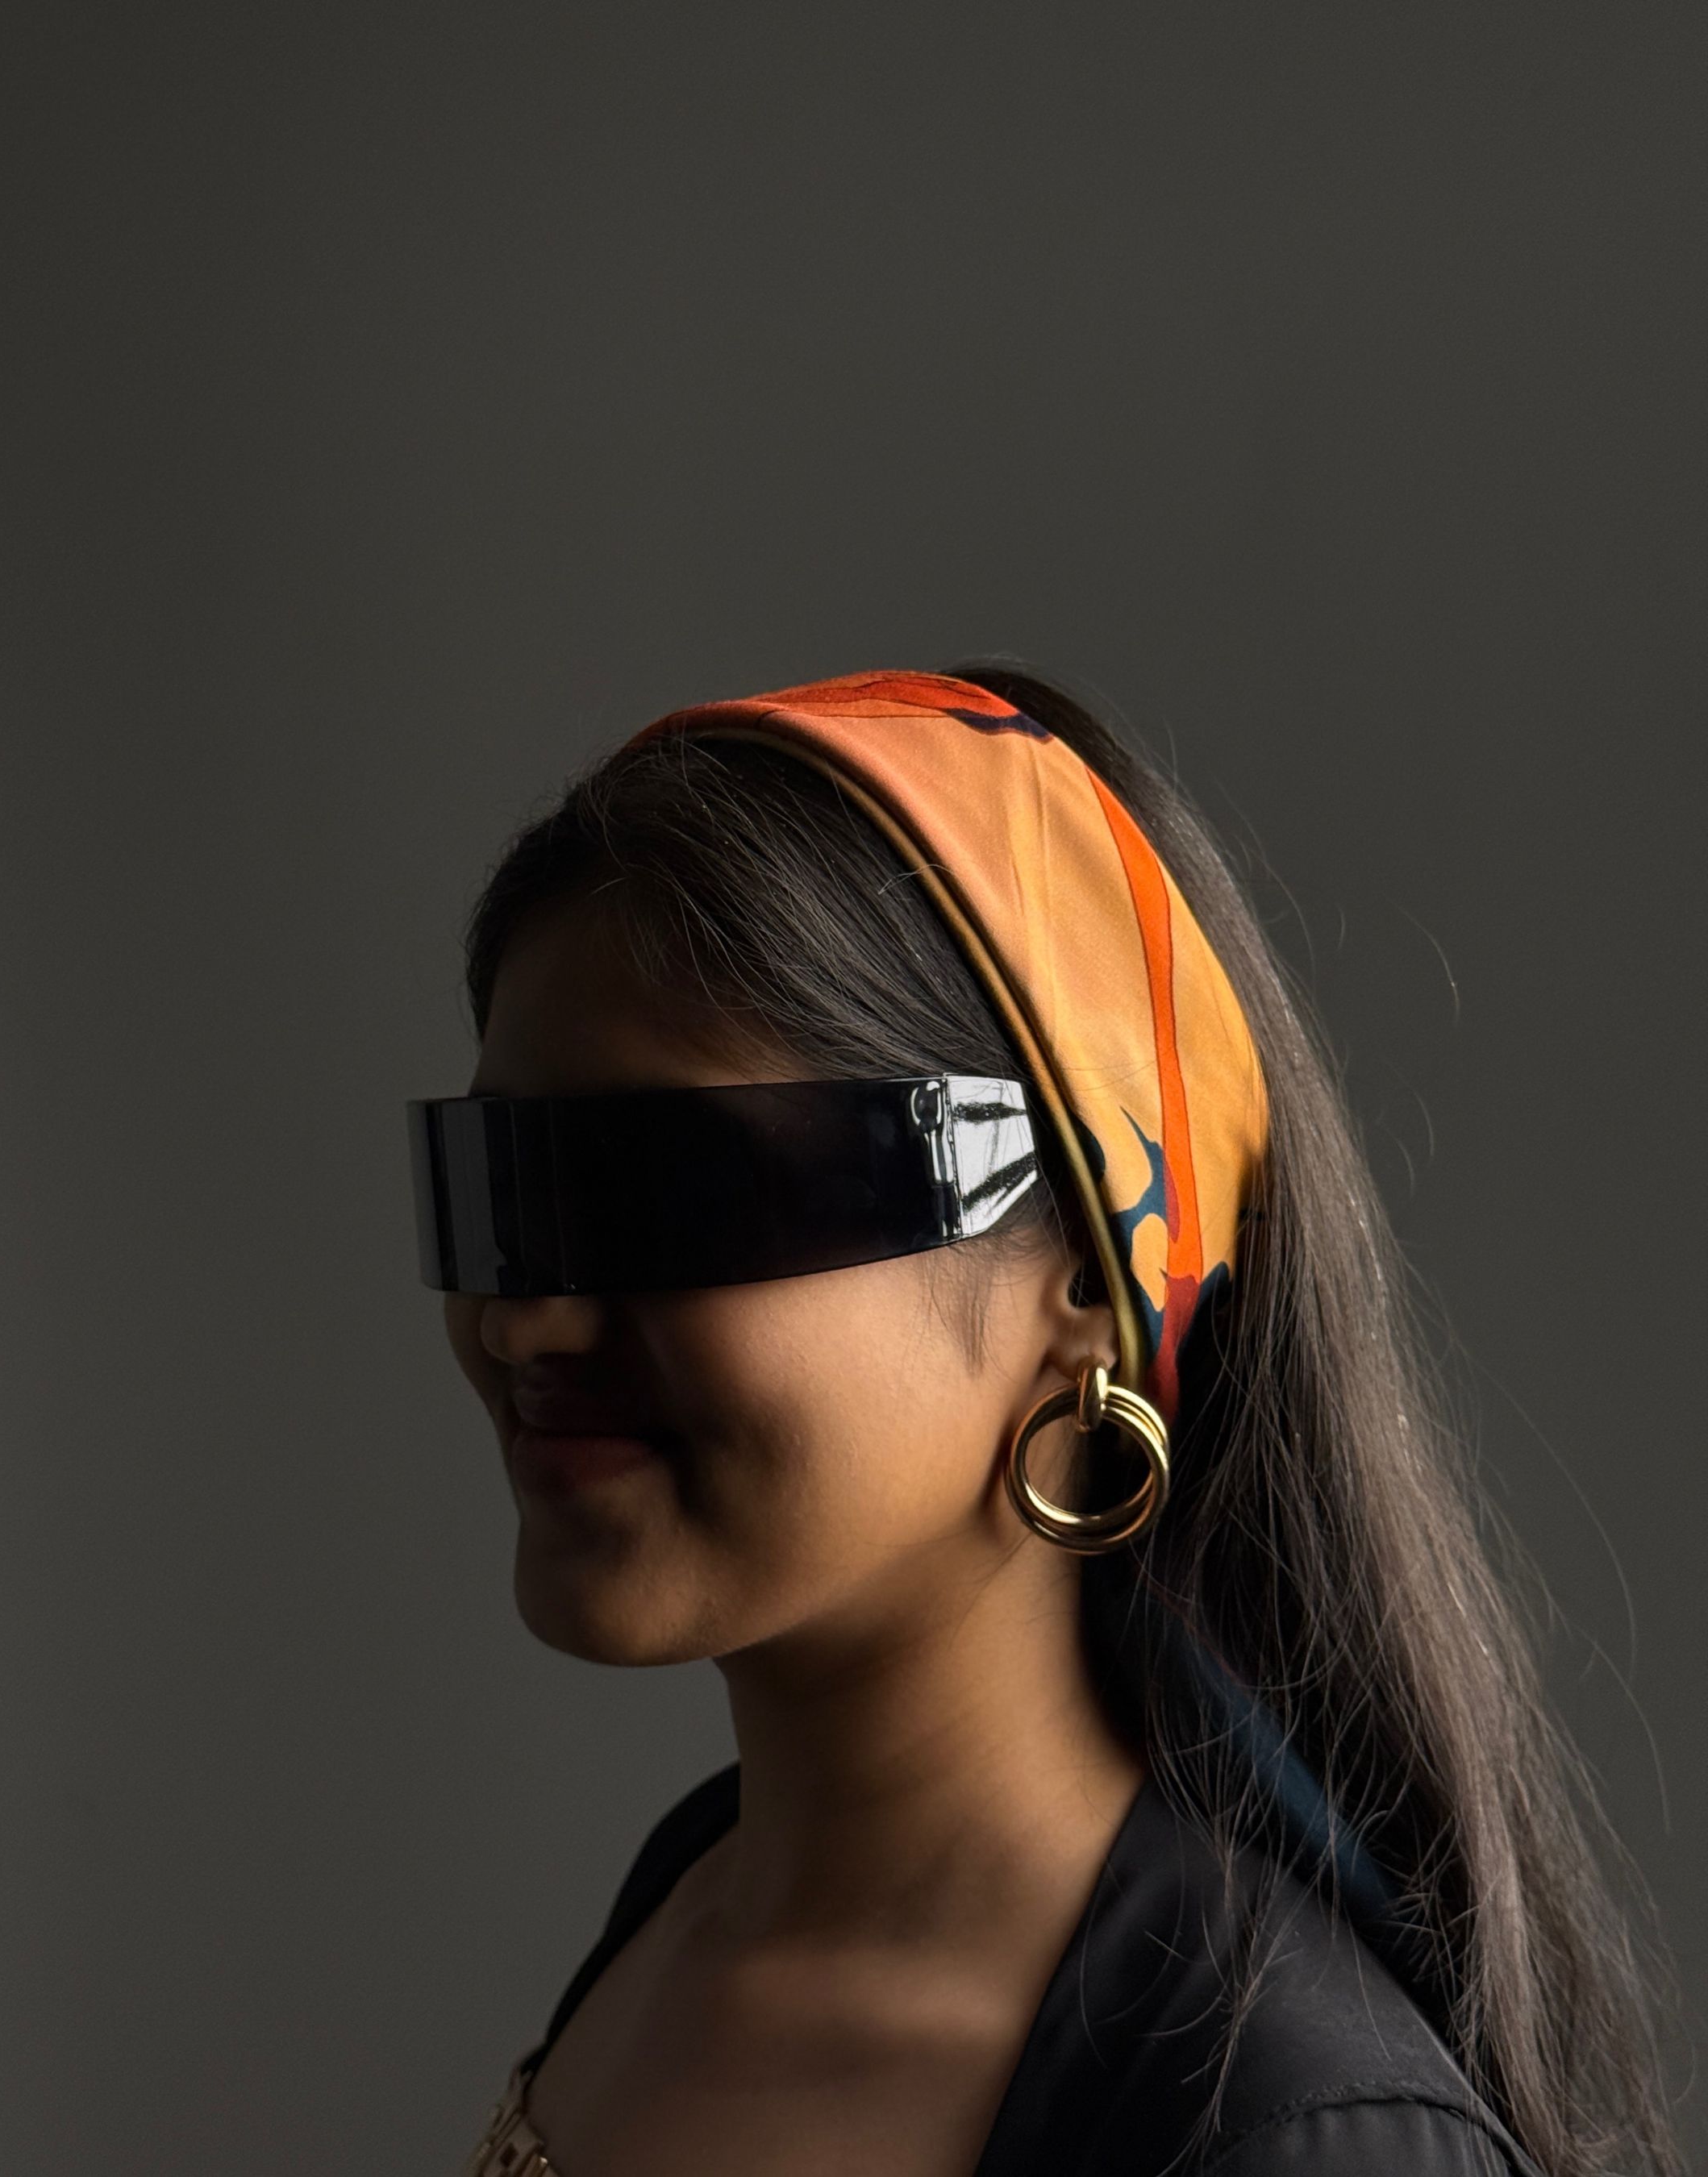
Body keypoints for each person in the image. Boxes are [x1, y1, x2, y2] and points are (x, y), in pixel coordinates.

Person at [413, 668, 1681, 2176]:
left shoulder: (1286, 2124)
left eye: (670, 1195)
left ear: (1087, 1266)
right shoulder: (690, 1893)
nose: (529, 1321)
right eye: (499, 1193)